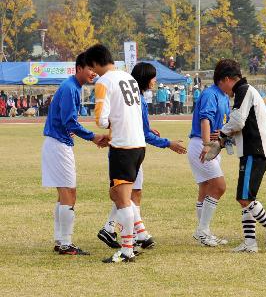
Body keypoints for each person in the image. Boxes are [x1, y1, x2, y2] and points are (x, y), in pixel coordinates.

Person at [98, 62, 188, 251]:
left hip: (131, 148)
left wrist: (146, 129)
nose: (155, 81)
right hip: (129, 149)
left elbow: (142, 128)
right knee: (124, 194)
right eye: (153, 77)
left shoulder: (137, 97)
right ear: (145, 78)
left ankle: (120, 231)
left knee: (131, 193)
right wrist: (167, 143)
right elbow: (139, 131)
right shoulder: (134, 97)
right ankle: (135, 237)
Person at [206, 59, 266, 253]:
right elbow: (241, 125)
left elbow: (238, 121)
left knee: (244, 198)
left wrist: (222, 136)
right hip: (251, 151)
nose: (222, 90)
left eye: (221, 85)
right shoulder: (245, 91)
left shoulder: (243, 90)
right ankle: (250, 242)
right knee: (246, 198)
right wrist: (222, 141)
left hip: (254, 151)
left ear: (227, 79)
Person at [42, 52, 109, 255]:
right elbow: (69, 122)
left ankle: (61, 240)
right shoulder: (70, 88)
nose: (93, 73)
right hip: (59, 144)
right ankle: (66, 243)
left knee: (64, 194)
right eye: (89, 68)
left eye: (95, 69)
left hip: (57, 143)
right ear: (78, 68)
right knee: (69, 193)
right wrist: (93, 137)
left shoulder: (72, 87)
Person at [86, 44, 147, 263]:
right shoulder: (128, 78)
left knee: (122, 200)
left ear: (94, 63)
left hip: (123, 148)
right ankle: (133, 238)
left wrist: (108, 128)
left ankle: (127, 249)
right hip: (138, 144)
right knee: (117, 195)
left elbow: (101, 119)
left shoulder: (103, 82)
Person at [188, 61, 233, 247]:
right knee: (219, 186)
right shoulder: (209, 94)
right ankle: (202, 231)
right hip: (201, 144)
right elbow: (205, 119)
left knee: (206, 188)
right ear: (225, 79)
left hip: (213, 145)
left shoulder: (224, 96)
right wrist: (207, 145)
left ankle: (203, 233)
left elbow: (226, 122)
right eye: (234, 80)